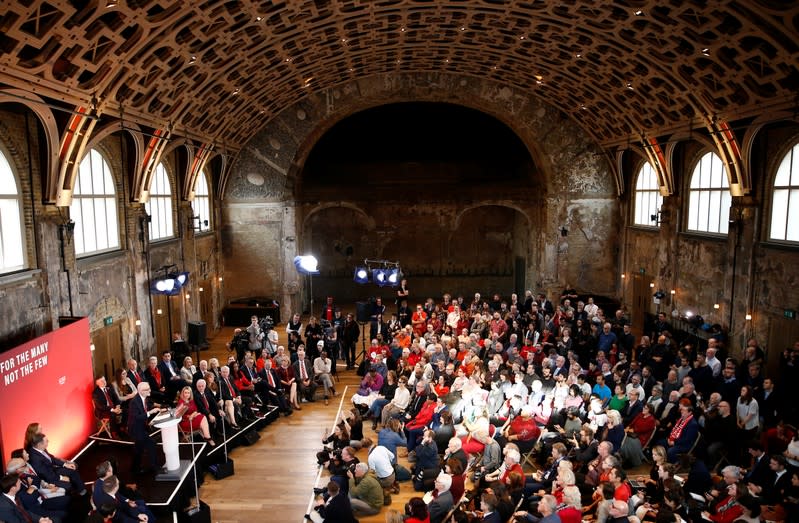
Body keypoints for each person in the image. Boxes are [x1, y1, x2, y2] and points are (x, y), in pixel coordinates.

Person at [127, 382, 161, 474]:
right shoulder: (134, 402)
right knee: (149, 445)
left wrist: (157, 409)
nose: (150, 390)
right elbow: (137, 417)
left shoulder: (144, 398)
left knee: (140, 450)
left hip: (141, 428)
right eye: (147, 389)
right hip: (136, 429)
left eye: (149, 388)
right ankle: (154, 468)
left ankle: (135, 469)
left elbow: (147, 407)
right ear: (141, 391)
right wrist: (150, 412)